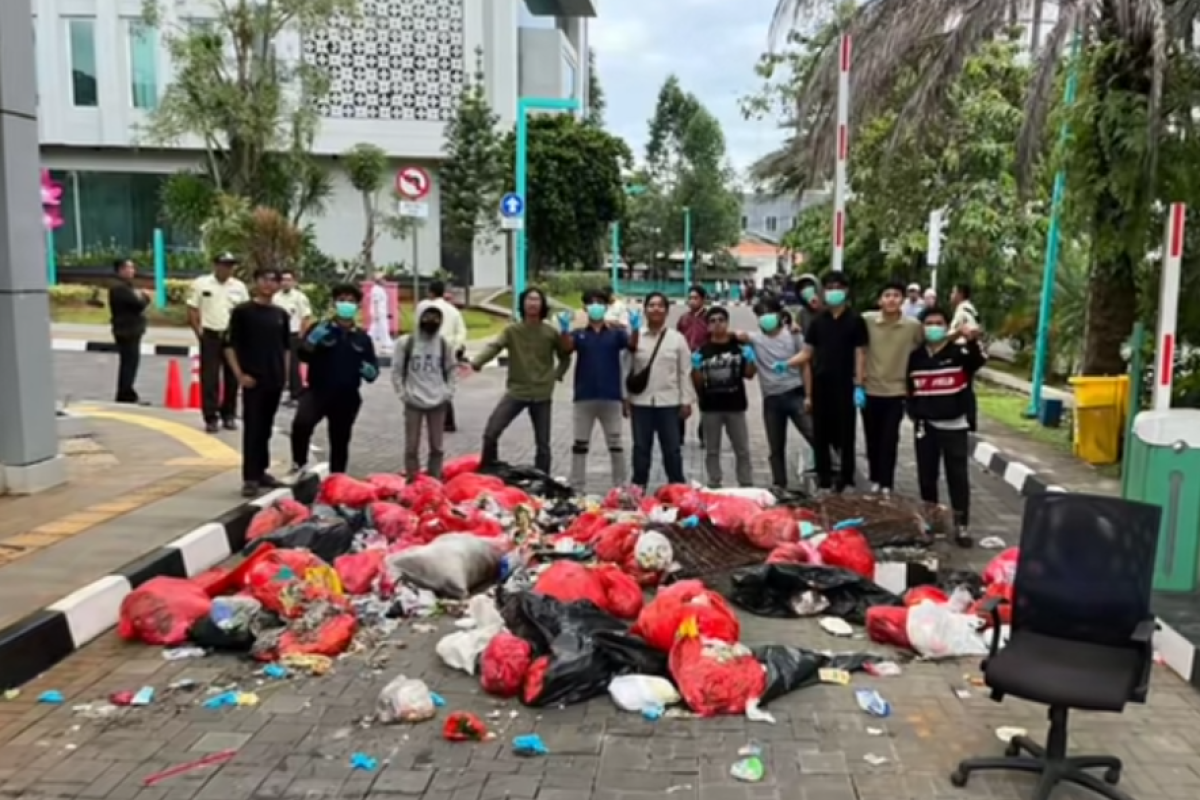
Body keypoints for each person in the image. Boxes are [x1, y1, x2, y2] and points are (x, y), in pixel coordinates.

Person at [907, 306, 986, 547]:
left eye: (938, 322)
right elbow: (910, 388)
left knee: (957, 477)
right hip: (926, 426)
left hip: (955, 425)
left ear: (946, 326)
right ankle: (932, 523)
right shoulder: (916, 357)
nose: (933, 327)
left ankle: (962, 526)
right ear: (922, 328)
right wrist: (914, 412)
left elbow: (977, 361)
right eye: (928, 323)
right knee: (927, 477)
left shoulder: (960, 353)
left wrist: (972, 341)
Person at [472, 288, 571, 474]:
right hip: (517, 391)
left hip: (542, 394)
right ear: (523, 304)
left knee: (543, 444)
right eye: (529, 299)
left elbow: (565, 356)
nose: (533, 303)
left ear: (542, 304)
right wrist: (476, 362)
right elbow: (495, 346)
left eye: (536, 300)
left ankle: (543, 481)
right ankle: (488, 471)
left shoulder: (550, 332)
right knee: (491, 431)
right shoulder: (512, 331)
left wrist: (557, 374)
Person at [789, 272, 867, 493]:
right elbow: (807, 352)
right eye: (829, 287)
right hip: (821, 383)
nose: (833, 292)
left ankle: (847, 477)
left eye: (838, 287)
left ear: (846, 291)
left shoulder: (855, 320)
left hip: (845, 385)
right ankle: (824, 478)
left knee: (845, 434)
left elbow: (860, 353)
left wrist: (859, 385)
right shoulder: (818, 322)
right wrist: (787, 363)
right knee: (821, 433)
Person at [290, 284, 378, 476]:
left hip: (346, 396)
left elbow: (373, 371)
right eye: (341, 300)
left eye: (351, 301)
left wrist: (369, 371)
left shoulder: (362, 338)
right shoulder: (320, 329)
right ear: (334, 303)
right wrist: (312, 342)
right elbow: (303, 355)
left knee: (340, 439)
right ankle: (299, 463)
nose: (346, 304)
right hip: (318, 391)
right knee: (301, 424)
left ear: (357, 306)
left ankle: (337, 478)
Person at [559, 290, 641, 491]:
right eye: (591, 303)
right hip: (584, 397)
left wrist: (636, 328)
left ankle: (620, 486)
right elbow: (567, 348)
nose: (595, 306)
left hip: (611, 396)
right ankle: (577, 486)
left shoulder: (616, 334)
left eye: (599, 303)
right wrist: (563, 329)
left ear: (606, 307)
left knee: (616, 444)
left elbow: (632, 345)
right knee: (580, 444)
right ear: (585, 308)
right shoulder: (579, 334)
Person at [223, 268, 290, 497]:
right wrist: (239, 375)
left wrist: (286, 375)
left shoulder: (281, 314)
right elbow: (230, 345)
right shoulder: (243, 312)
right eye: (265, 279)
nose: (269, 284)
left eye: (274, 280)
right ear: (255, 282)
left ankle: (262, 471)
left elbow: (286, 349)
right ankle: (250, 477)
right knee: (252, 427)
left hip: (275, 378)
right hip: (253, 378)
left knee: (266, 428)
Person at [739, 298, 813, 490]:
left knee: (813, 435)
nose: (765, 318)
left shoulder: (793, 336)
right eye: (760, 314)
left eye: (768, 312)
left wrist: (808, 395)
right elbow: (733, 334)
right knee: (775, 446)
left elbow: (805, 365)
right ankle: (779, 484)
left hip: (795, 394)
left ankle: (831, 474)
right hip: (771, 399)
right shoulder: (756, 339)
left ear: (779, 315)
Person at [626, 292, 694, 488]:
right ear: (645, 310)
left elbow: (684, 371)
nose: (656, 309)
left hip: (669, 403)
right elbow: (626, 368)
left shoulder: (677, 339)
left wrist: (686, 400)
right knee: (640, 449)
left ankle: (678, 489)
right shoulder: (636, 337)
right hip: (641, 403)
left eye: (660, 306)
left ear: (667, 311)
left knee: (672, 450)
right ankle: (637, 491)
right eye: (651, 305)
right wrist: (625, 398)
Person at [862, 281, 924, 493]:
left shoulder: (912, 326)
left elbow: (926, 345)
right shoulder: (867, 321)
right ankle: (875, 478)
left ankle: (887, 482)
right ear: (880, 300)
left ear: (902, 300)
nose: (891, 299)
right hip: (870, 390)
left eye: (896, 295)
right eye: (887, 295)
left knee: (890, 439)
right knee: (872, 438)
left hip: (896, 392)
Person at [393, 303, 458, 479]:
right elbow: (397, 371)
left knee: (437, 447)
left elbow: (452, 369)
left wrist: (448, 392)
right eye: (427, 316)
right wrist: (403, 394)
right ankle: (413, 481)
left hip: (438, 400)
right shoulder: (406, 343)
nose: (432, 321)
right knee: (411, 446)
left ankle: (434, 479)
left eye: (436, 318)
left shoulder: (444, 344)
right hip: (413, 400)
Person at [187, 253, 249, 433]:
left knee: (232, 377)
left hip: (232, 336)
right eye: (223, 265)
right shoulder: (201, 284)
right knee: (210, 378)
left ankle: (228, 414)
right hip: (211, 335)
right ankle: (210, 417)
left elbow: (245, 312)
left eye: (230, 265)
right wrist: (199, 332)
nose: (227, 269)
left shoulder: (239, 287)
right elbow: (192, 309)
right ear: (215, 265)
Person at [693, 306, 755, 488]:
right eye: (712, 321)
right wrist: (696, 368)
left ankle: (746, 482)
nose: (717, 324)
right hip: (710, 407)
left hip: (736, 405)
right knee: (712, 449)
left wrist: (751, 360)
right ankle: (714, 481)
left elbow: (749, 375)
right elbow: (697, 383)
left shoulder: (738, 349)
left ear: (727, 323)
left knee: (742, 449)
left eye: (721, 320)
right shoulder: (702, 351)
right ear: (708, 326)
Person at [423, 280, 467, 432]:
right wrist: (455, 348)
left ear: (431, 292)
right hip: (448, 352)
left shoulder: (426, 309)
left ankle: (438, 418)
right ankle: (447, 420)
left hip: (430, 351)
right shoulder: (453, 311)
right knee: (445, 384)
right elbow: (461, 332)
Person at [108, 257, 150, 404]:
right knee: (129, 363)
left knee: (129, 362)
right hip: (127, 331)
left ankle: (126, 391)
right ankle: (125, 393)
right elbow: (138, 304)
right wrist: (145, 297)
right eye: (128, 268)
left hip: (130, 330)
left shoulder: (126, 286)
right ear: (120, 270)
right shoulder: (119, 288)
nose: (131, 271)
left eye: (132, 268)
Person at [273, 269, 313, 407]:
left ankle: (296, 394)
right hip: (277, 335)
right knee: (278, 364)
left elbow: (306, 317)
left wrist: (301, 336)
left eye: (288, 280)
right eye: (283, 280)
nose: (285, 283)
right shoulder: (275, 297)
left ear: (294, 282)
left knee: (293, 366)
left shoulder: (299, 297)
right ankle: (280, 391)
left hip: (294, 334)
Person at [677, 285, 710, 445]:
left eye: (695, 298)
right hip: (684, 363)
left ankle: (704, 434)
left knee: (705, 399)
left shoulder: (710, 318)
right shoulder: (683, 318)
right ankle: (678, 435)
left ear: (703, 300)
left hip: (704, 363)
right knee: (681, 398)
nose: (692, 301)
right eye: (690, 298)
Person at [950, 283, 982, 431]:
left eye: (953, 292)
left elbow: (973, 330)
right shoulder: (966, 308)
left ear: (960, 294)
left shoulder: (964, 310)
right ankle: (967, 417)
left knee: (965, 386)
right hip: (967, 352)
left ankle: (969, 420)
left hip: (965, 353)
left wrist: (968, 339)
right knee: (965, 386)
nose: (951, 296)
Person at [367, 279, 393, 352]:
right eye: (384, 280)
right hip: (378, 312)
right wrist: (376, 313)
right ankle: (386, 343)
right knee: (382, 327)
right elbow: (376, 302)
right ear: (379, 281)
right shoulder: (376, 289)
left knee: (376, 328)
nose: (385, 281)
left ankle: (369, 340)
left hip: (381, 312)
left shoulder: (380, 289)